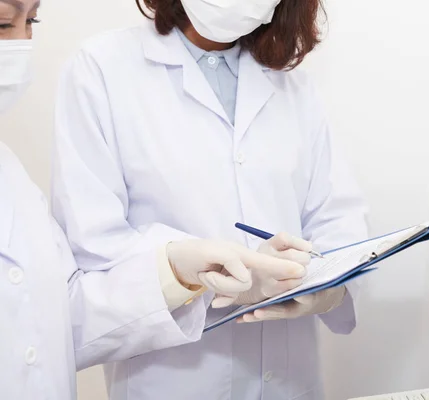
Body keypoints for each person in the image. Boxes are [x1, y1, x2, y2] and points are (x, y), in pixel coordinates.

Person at [52, 0, 369, 398]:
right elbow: (94, 248)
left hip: (289, 382)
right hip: (172, 379)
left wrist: (328, 286)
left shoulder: (295, 86)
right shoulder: (101, 69)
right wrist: (195, 275)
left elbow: (336, 215)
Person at [0, 1, 304, 398]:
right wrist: (184, 271)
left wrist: (177, 272)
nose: (23, 42)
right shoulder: (103, 67)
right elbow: (94, 250)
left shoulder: (12, 178)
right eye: (5, 21)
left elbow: (54, 320)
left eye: (32, 21)